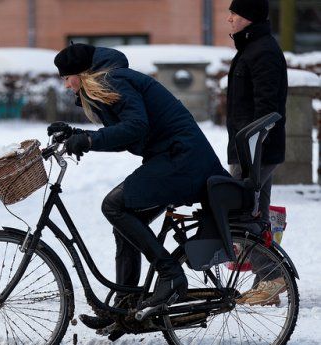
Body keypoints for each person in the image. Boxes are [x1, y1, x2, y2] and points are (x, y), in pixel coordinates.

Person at [48, 43, 229, 330]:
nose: (67, 85)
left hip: (181, 159)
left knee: (114, 205)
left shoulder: (114, 80)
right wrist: (80, 134)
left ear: (82, 74)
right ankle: (125, 307)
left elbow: (135, 127)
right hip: (174, 157)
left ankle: (170, 275)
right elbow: (126, 135)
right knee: (125, 223)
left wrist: (91, 140)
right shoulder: (114, 80)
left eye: (67, 77)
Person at [226, 0, 288, 306]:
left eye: (235, 14)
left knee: (239, 213)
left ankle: (272, 277)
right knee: (257, 215)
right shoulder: (252, 48)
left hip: (255, 151)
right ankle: (267, 283)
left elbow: (266, 109)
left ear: (249, 18)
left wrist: (252, 151)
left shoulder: (262, 52)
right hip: (250, 150)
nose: (230, 18)